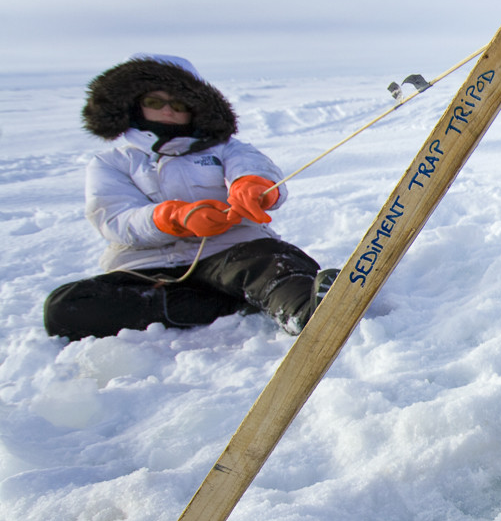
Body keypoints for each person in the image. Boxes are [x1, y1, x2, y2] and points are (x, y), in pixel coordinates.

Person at [43, 54, 336, 341]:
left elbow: (253, 167)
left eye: (179, 103)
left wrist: (253, 186)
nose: (168, 110)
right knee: (66, 305)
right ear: (133, 104)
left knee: (275, 263)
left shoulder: (226, 148)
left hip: (231, 253)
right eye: (155, 102)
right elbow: (115, 218)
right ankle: (227, 303)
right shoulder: (110, 162)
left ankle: (307, 311)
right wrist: (174, 218)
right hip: (147, 268)